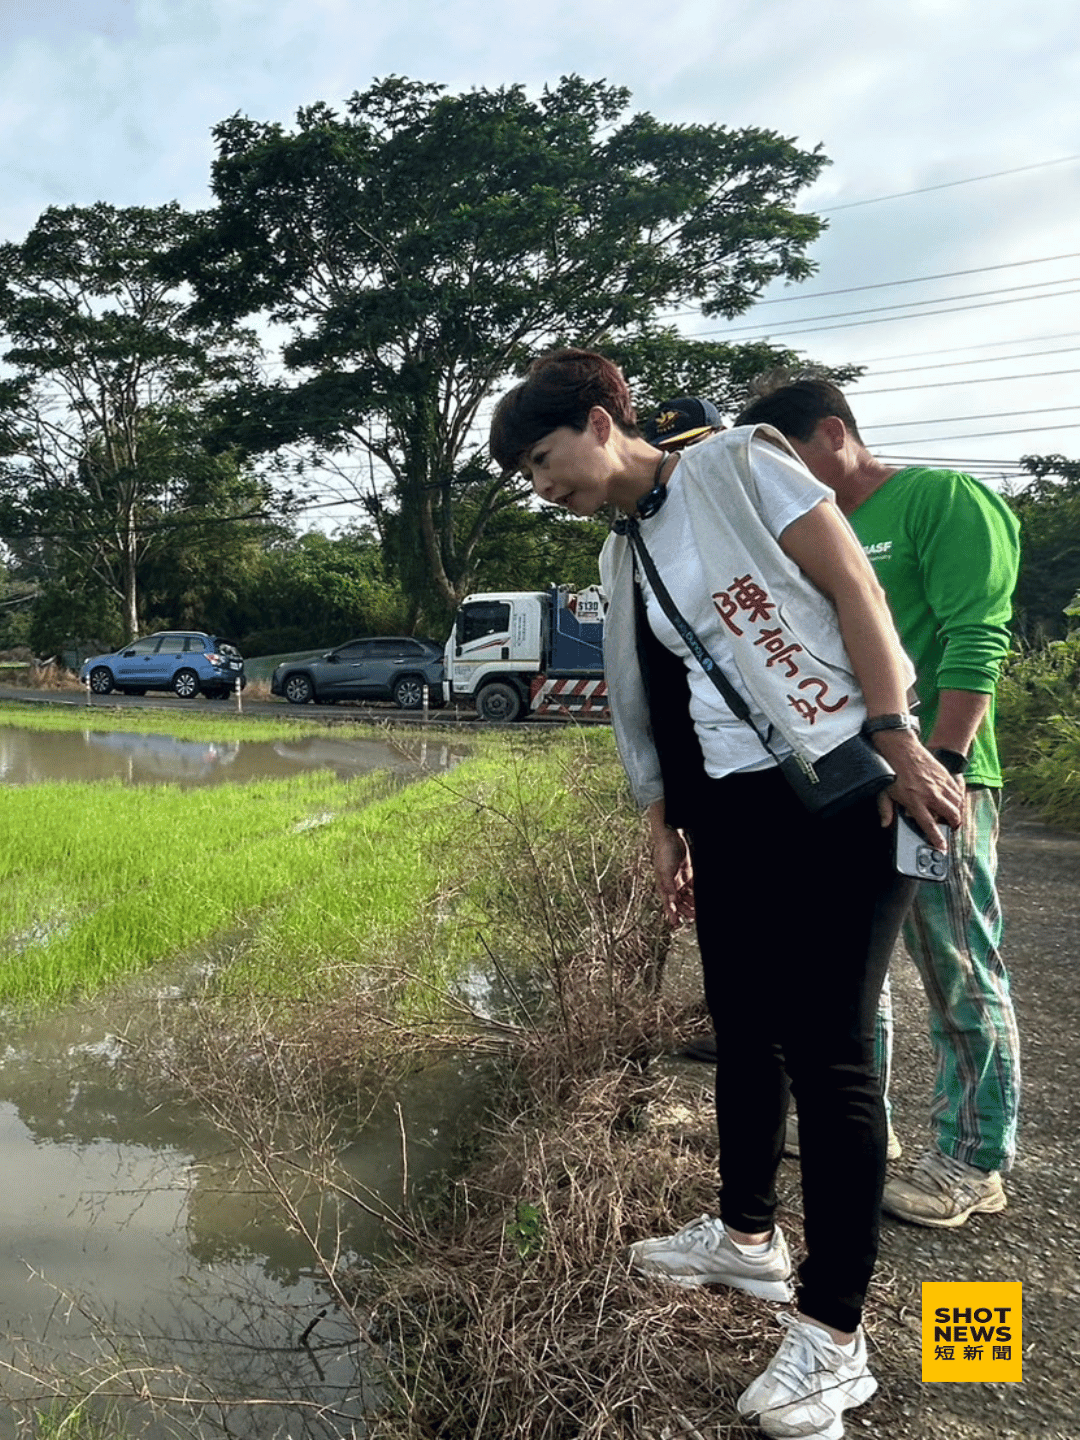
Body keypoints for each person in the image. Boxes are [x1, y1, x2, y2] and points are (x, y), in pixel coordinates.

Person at [489, 349, 962, 1440]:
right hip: (735, 811)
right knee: (744, 1028)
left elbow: (854, 586)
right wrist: (665, 822)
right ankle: (747, 1239)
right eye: (526, 475)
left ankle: (835, 1337)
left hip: (842, 783)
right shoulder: (626, 550)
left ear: (605, 418)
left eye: (545, 459)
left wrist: (896, 734)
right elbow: (657, 695)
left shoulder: (741, 466)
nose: (542, 487)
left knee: (833, 1049)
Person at [736, 379, 1021, 1229]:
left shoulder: (942, 498)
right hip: (852, 783)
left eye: (789, 459)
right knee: (859, 973)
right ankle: (873, 1127)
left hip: (937, 776)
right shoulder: (815, 529)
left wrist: (945, 762)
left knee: (958, 966)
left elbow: (978, 634)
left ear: (835, 434)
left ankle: (973, 1160)